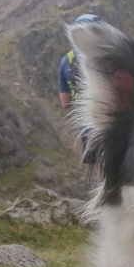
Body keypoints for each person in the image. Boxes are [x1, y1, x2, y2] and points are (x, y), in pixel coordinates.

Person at [57, 14, 102, 180]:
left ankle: (103, 194)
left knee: (98, 164)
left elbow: (65, 102)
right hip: (112, 121)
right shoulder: (106, 56)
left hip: (87, 125)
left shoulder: (66, 61)